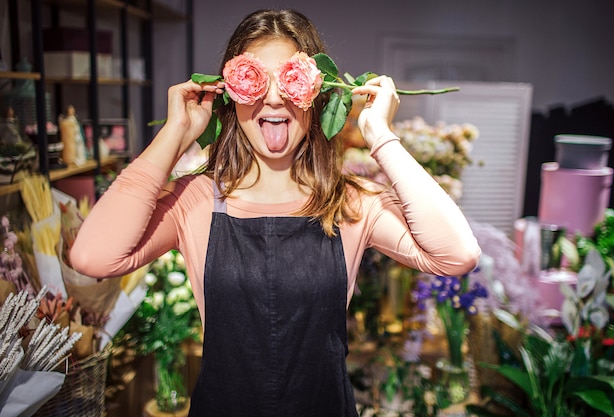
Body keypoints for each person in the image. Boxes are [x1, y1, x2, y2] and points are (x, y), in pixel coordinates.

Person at [70, 8, 481, 417]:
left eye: (289, 80)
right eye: (255, 81)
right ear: (229, 95)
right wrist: (175, 132)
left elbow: (456, 255)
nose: (272, 97)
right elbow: (93, 257)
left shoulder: (351, 202)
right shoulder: (197, 199)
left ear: (319, 94)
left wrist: (382, 135)